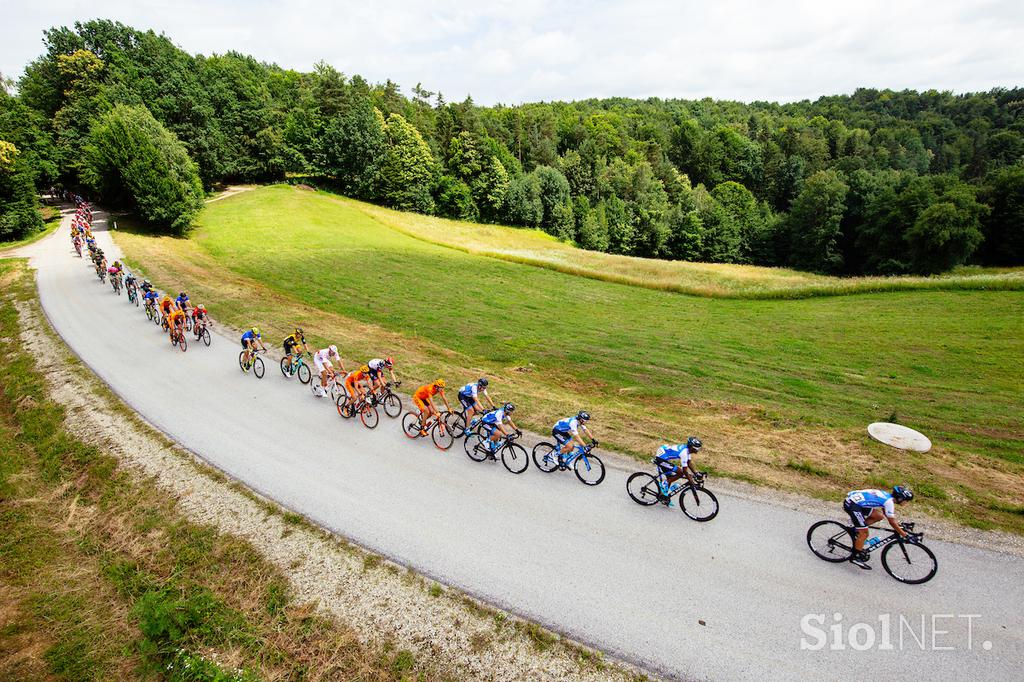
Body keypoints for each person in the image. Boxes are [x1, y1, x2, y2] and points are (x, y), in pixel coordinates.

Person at [843, 486, 916, 570]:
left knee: (879, 516)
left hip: (856, 502)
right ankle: (855, 557)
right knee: (864, 533)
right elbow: (891, 522)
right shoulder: (889, 502)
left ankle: (857, 528)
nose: (906, 503)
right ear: (900, 498)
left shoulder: (888, 498)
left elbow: (887, 515)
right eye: (906, 501)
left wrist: (899, 525)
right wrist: (905, 535)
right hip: (853, 505)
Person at [653, 437, 703, 506]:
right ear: (692, 447)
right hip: (661, 458)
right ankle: (664, 483)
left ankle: (664, 497)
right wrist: (690, 479)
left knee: (670, 477)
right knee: (681, 472)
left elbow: (689, 463)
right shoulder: (684, 453)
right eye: (697, 448)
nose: (698, 450)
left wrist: (696, 473)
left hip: (663, 454)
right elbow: (685, 471)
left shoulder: (688, 451)